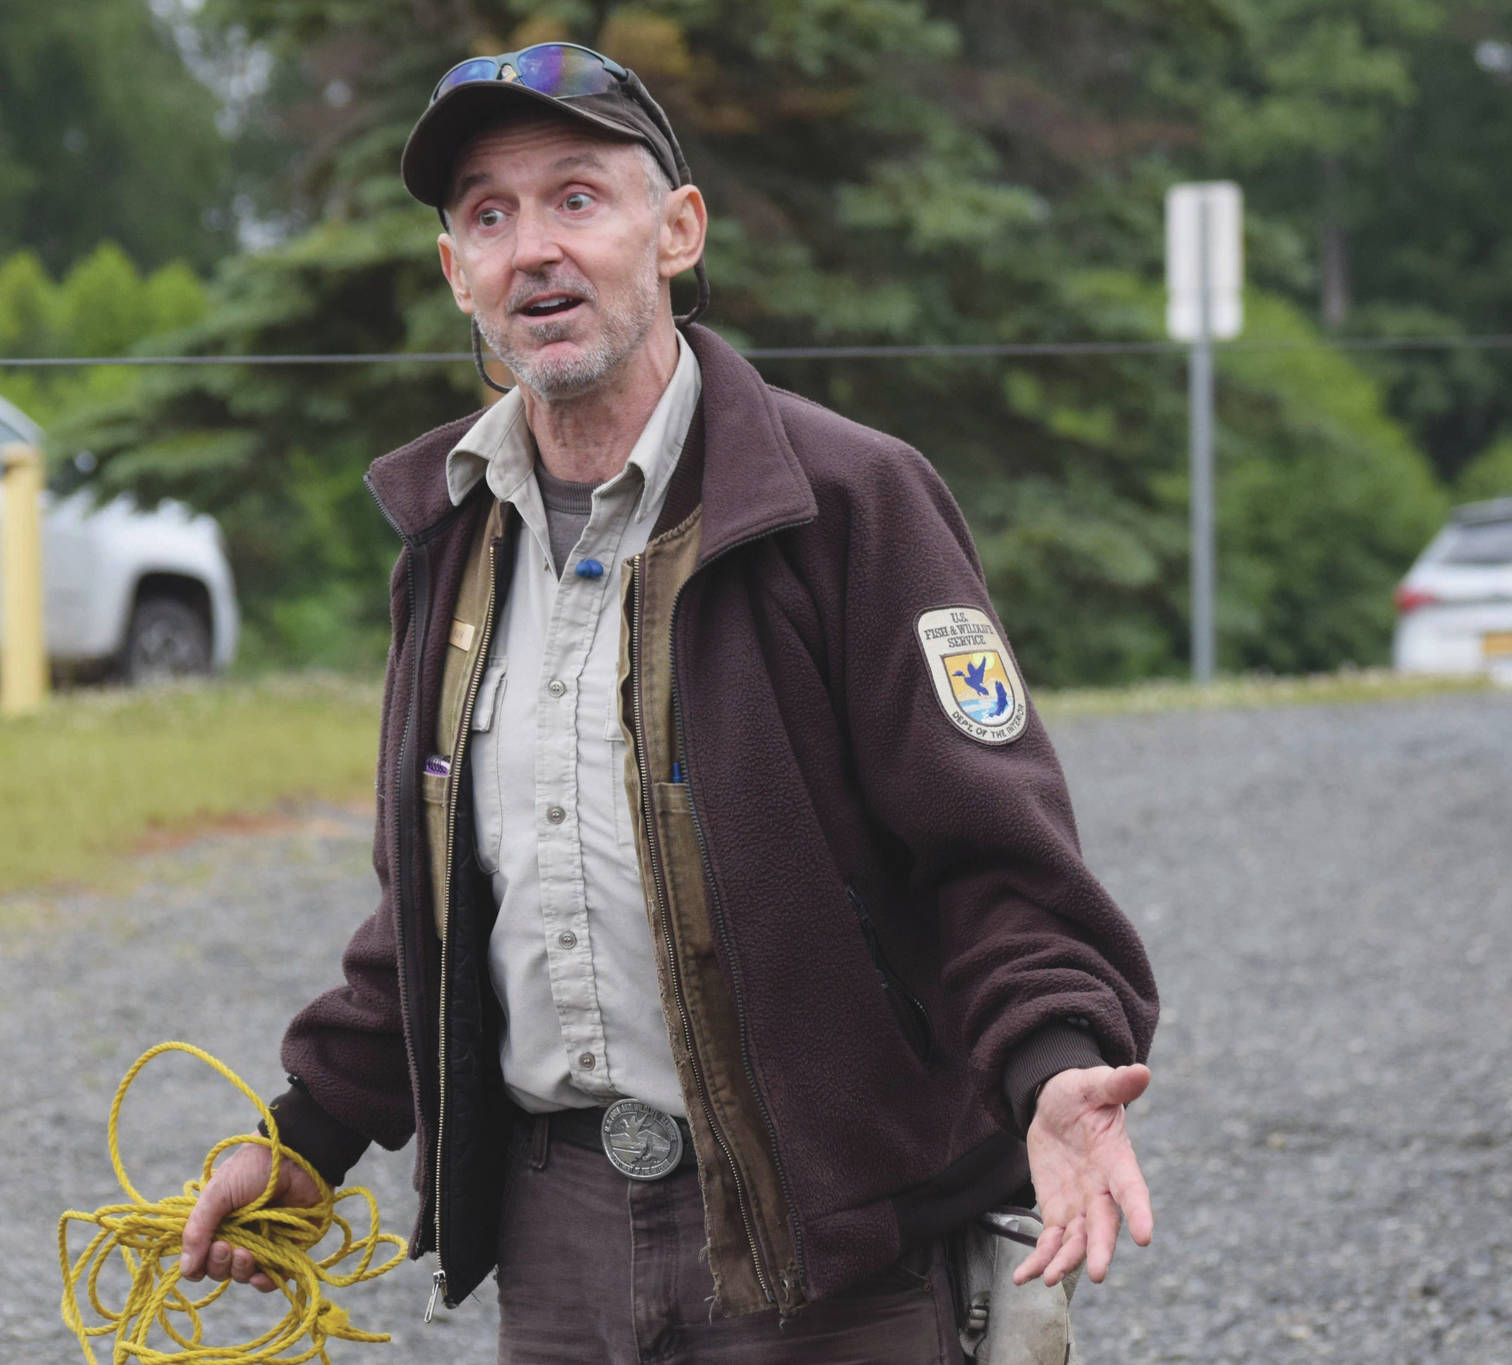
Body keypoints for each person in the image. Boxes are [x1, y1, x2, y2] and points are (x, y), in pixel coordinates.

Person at [177, 42, 1158, 1362]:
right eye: (489, 214)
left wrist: (1054, 1070)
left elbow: (996, 859)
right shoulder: (452, 543)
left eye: (578, 197)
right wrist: (307, 1133)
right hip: (558, 1248)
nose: (534, 248)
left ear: (677, 232)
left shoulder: (851, 504)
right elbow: (443, 905)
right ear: (455, 273)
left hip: (828, 1255)